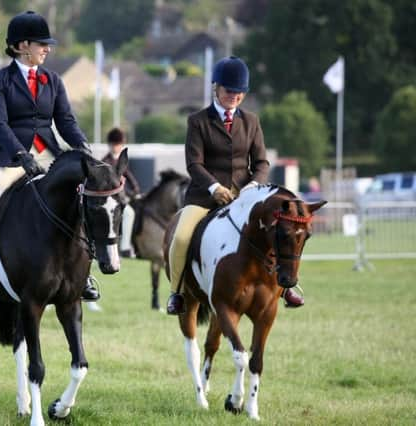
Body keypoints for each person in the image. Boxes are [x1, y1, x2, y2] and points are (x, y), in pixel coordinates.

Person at [0, 10, 99, 301]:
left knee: (81, 196)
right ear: (22, 46)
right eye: (41, 44)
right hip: (10, 156)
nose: (47, 49)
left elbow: (66, 121)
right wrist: (21, 154)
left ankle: (84, 273)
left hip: (48, 153)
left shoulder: (53, 80)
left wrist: (83, 147)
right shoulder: (0, 79)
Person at [165, 56, 305, 315]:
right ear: (215, 88)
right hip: (204, 196)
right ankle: (177, 292)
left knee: (277, 231)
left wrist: (253, 186)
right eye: (230, 91)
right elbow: (194, 164)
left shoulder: (251, 121)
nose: (235, 96)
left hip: (245, 196)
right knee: (182, 236)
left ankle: (285, 288)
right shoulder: (198, 121)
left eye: (240, 92)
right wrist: (214, 188)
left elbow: (262, 163)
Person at [101, 127, 141, 258]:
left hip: (122, 195)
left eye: (118, 144)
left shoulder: (121, 160)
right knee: (129, 213)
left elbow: (129, 176)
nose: (116, 147)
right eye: (114, 144)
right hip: (111, 198)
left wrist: (136, 189)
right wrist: (129, 194)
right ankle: (125, 248)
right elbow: (115, 183)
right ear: (110, 145)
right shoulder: (106, 162)